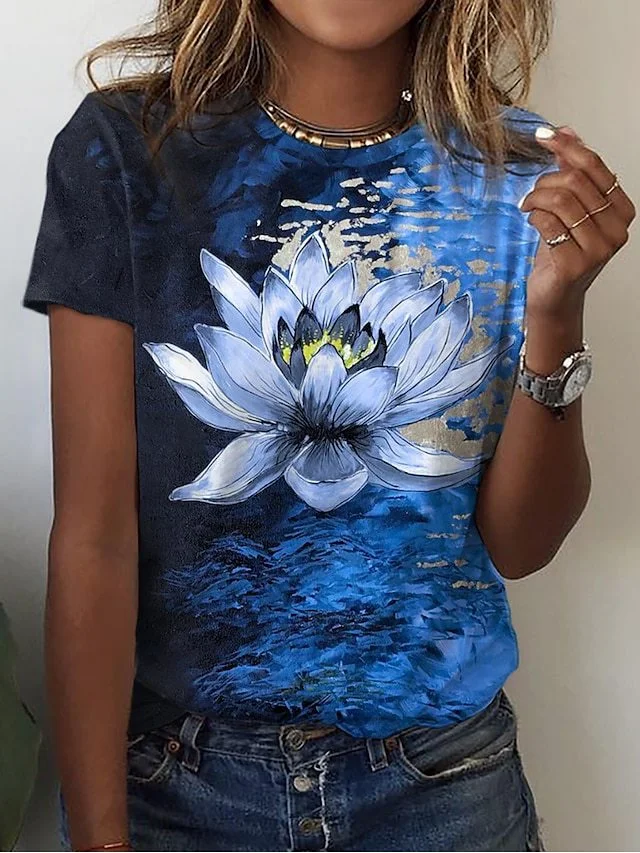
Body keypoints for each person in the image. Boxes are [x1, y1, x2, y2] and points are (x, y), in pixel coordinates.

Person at [22, 0, 635, 850]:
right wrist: (98, 837)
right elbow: (94, 538)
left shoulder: (525, 177)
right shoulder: (125, 151)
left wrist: (558, 313)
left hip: (444, 790)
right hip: (178, 787)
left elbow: (521, 545)